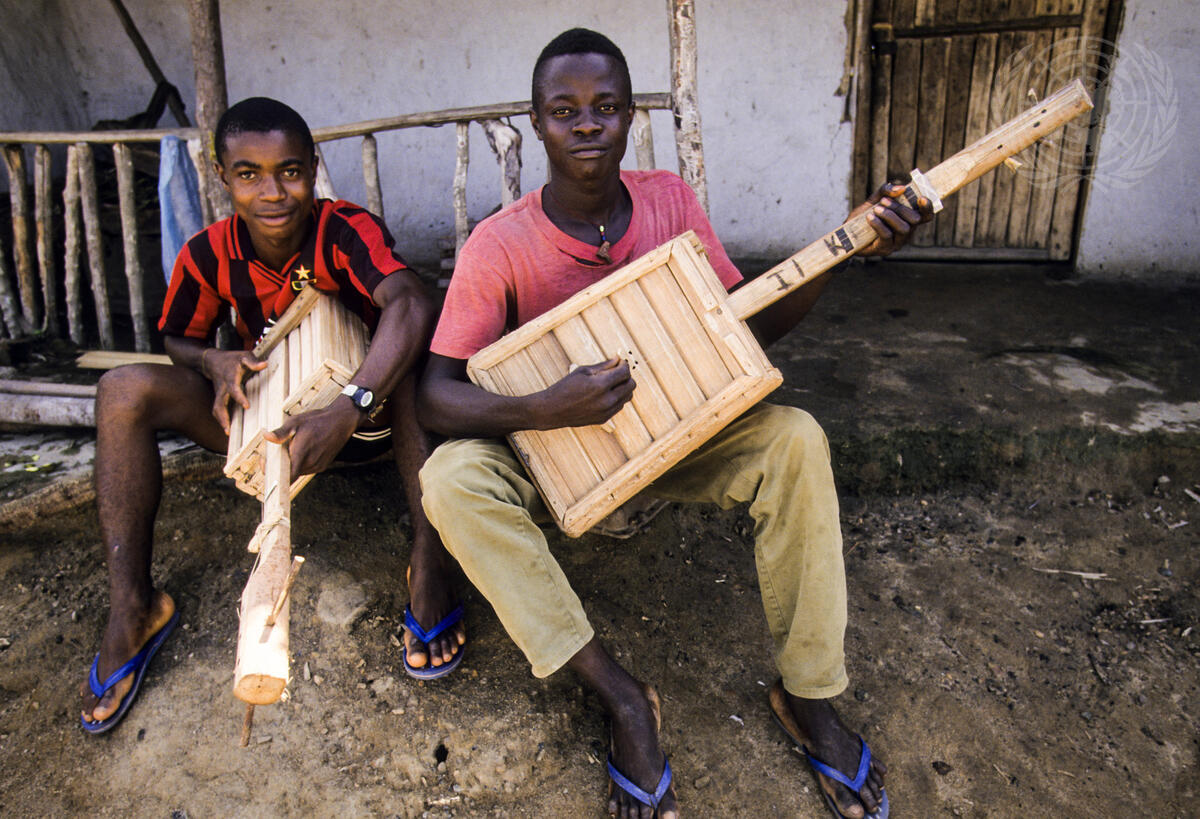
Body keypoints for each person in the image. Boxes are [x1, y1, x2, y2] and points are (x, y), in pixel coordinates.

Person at [419, 29, 931, 819]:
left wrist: (845, 249)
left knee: (795, 438)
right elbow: (435, 395)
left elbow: (741, 326)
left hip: (673, 438)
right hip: (552, 451)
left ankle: (810, 695)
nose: (587, 124)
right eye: (564, 110)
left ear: (628, 117)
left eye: (607, 107)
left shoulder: (667, 202)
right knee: (449, 480)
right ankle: (619, 694)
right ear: (536, 121)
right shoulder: (501, 245)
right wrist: (544, 408)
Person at [81, 97, 466, 734]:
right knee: (121, 389)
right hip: (270, 426)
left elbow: (412, 301)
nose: (273, 192)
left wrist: (349, 407)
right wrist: (212, 360)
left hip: (366, 426)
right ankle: (133, 606)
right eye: (249, 174)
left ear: (313, 168)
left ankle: (429, 559)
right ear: (222, 177)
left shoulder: (344, 230)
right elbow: (176, 338)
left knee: (410, 358)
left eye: (289, 171)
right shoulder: (208, 253)